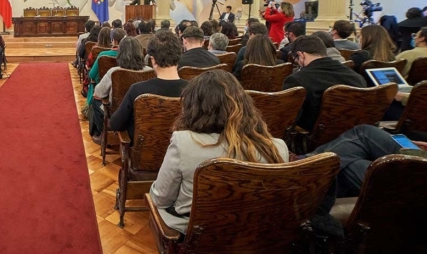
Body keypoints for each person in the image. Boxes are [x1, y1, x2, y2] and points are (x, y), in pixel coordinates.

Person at [150, 70, 288, 234]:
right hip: (253, 235)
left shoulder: (183, 142)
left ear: (194, 107)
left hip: (197, 235)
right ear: (244, 104)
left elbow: (160, 199)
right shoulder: (278, 148)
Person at [305, 124, 427, 197]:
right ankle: (305, 165)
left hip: (425, 184)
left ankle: (303, 170)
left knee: (344, 162)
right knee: (364, 132)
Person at [111, 30, 188, 144]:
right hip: (181, 153)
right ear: (179, 56)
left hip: (143, 156)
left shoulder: (137, 90)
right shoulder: (194, 90)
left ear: (153, 59)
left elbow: (115, 123)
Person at [283, 35, 366, 130]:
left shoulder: (296, 80)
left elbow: (289, 119)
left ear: (301, 55)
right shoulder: (357, 77)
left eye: (296, 60)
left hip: (312, 138)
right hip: (353, 133)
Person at [89, 36, 151, 140]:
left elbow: (98, 94)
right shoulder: (150, 71)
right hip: (142, 112)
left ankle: (102, 133)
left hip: (116, 113)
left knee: (95, 101)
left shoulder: (114, 72)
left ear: (120, 52)